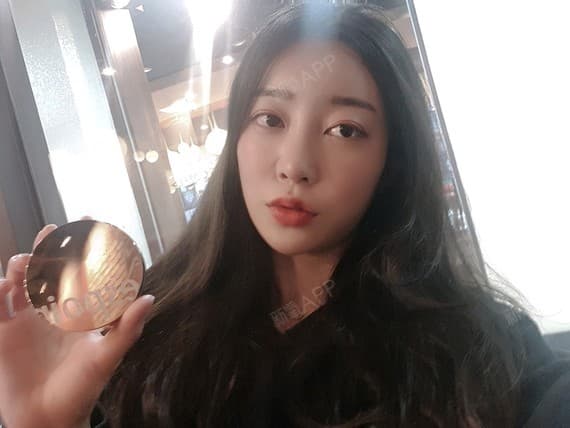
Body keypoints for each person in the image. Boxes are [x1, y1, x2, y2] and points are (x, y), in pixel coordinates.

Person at [0, 3, 569, 427]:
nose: (295, 165)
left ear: (392, 162)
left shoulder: (476, 349)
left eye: (345, 130)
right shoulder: (143, 334)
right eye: (270, 119)